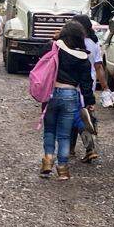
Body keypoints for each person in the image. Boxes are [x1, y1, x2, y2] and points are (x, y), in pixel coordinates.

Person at [42, 21, 94, 181]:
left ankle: (48, 161)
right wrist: (89, 102)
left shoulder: (55, 48)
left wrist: (55, 37)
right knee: (64, 135)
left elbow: (41, 55)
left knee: (49, 130)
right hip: (70, 95)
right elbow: (87, 83)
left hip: (51, 94)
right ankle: (63, 170)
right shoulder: (83, 58)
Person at [73, 15, 108, 163]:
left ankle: (89, 148)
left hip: (75, 83)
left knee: (76, 115)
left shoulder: (73, 43)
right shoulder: (94, 44)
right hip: (90, 84)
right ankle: (77, 148)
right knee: (84, 113)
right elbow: (99, 67)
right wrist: (105, 87)